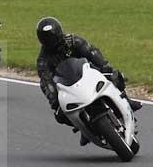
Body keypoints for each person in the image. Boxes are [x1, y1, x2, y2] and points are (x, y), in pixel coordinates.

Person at [36, 17, 142, 145]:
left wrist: (104, 66)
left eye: (52, 37)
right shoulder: (43, 60)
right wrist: (54, 100)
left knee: (115, 75)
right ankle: (83, 128)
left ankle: (127, 100)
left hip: (89, 73)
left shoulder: (72, 41)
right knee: (60, 115)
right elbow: (46, 82)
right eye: (47, 38)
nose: (51, 40)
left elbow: (91, 51)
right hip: (70, 86)